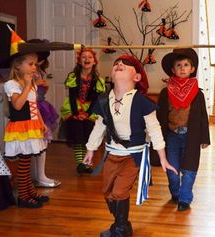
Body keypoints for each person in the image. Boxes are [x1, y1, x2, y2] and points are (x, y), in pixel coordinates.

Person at [83, 54, 177, 237]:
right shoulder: (104, 100)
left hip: (133, 156)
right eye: (116, 64)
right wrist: (90, 149)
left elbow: (155, 130)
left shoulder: (142, 102)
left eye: (125, 65)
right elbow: (99, 126)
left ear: (137, 77)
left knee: (119, 191)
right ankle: (123, 225)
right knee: (108, 192)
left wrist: (163, 158)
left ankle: (120, 230)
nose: (119, 64)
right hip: (111, 154)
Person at [157, 48, 210, 211]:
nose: (182, 68)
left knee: (189, 168)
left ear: (192, 69)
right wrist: (157, 138)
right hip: (172, 136)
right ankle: (175, 193)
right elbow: (159, 116)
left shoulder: (197, 94)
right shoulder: (165, 93)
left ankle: (185, 198)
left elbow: (203, 116)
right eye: (178, 65)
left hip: (191, 136)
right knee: (172, 169)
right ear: (172, 70)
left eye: (186, 65)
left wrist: (204, 138)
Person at [4, 52, 49, 208]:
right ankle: (23, 196)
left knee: (27, 161)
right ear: (18, 65)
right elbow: (17, 105)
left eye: (35, 64)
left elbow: (34, 107)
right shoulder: (12, 84)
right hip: (20, 128)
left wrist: (42, 123)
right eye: (30, 64)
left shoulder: (32, 85)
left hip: (32, 126)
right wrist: (28, 85)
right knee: (23, 163)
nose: (34, 67)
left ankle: (30, 191)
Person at [60, 48, 105, 174]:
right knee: (78, 137)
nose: (86, 59)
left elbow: (96, 100)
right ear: (79, 61)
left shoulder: (98, 80)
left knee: (87, 137)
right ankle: (80, 163)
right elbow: (72, 96)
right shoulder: (73, 77)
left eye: (90, 57)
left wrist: (88, 113)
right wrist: (76, 113)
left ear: (94, 61)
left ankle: (84, 164)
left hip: (90, 110)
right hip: (74, 108)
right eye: (83, 57)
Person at [28, 39, 61, 188]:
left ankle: (38, 175)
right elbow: (28, 92)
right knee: (38, 142)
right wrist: (36, 84)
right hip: (34, 109)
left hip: (41, 106)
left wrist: (43, 87)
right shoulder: (28, 72)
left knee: (42, 143)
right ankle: (38, 176)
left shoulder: (39, 71)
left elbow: (39, 92)